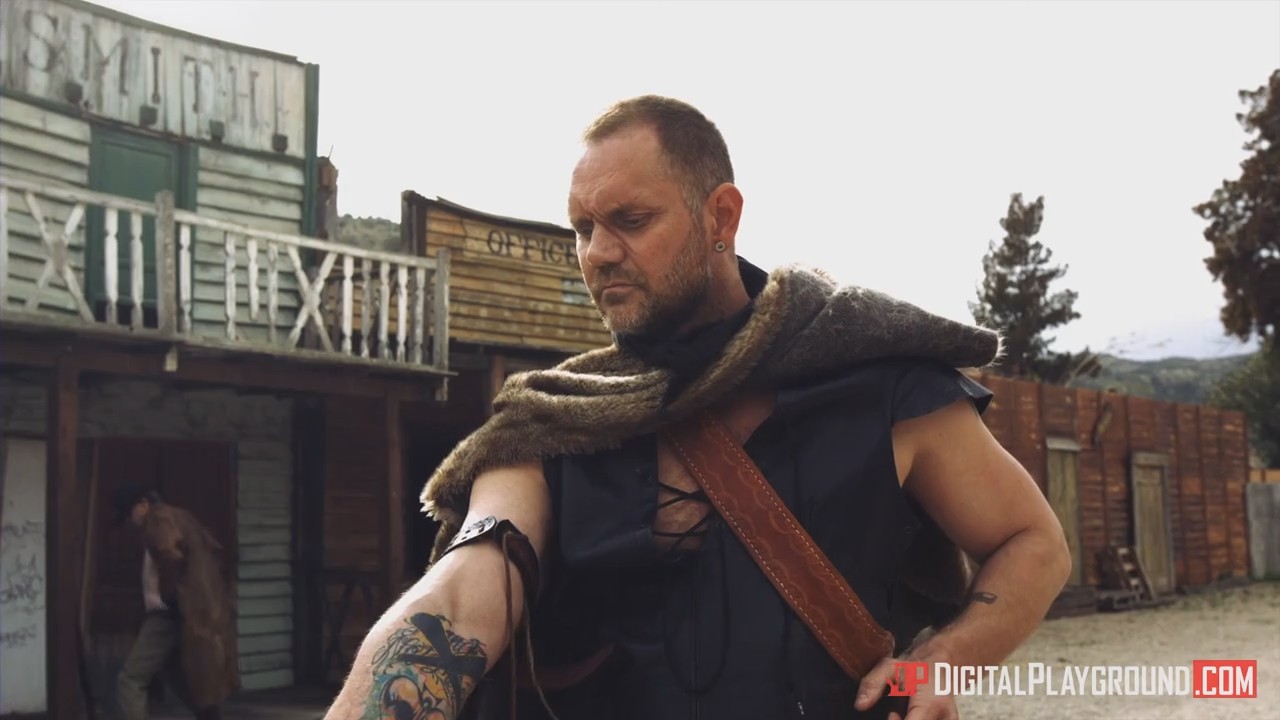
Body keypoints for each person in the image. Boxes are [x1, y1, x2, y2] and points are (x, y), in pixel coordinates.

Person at [325, 96, 1071, 720]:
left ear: (721, 215)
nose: (597, 253)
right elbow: (461, 599)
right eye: (583, 228)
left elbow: (1033, 541)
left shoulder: (880, 385)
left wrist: (944, 660)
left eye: (630, 220)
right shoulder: (554, 422)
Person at [113, 486, 239, 720]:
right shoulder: (182, 517)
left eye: (130, 514)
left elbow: (170, 557)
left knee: (130, 679)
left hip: (168, 613)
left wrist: (171, 599)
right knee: (182, 679)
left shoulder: (158, 519)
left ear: (142, 505)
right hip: (189, 613)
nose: (131, 522)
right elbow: (214, 552)